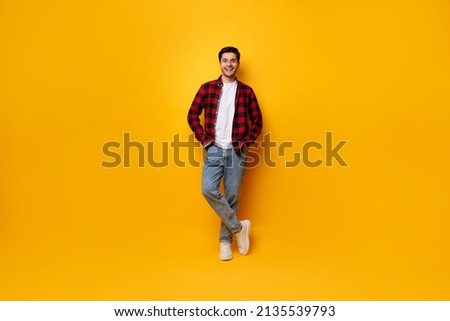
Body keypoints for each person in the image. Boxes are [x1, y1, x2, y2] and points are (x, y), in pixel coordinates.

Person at [187, 46, 263, 260]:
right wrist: (204, 140)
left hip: (236, 151)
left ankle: (224, 241)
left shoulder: (247, 91)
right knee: (207, 188)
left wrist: (246, 142)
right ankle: (239, 228)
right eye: (225, 60)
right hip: (214, 149)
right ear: (219, 63)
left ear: (237, 64)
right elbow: (192, 114)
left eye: (233, 61)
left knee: (232, 197)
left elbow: (258, 120)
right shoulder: (207, 88)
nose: (229, 64)